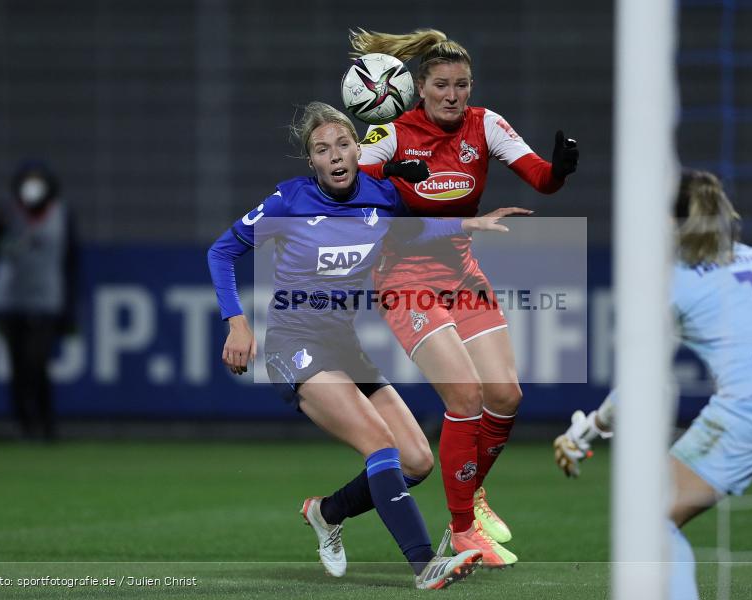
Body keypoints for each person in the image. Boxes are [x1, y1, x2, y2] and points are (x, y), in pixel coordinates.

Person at [207, 101, 529, 589]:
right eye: (322, 150)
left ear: (359, 150)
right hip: (295, 345)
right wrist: (237, 323)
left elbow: (416, 228)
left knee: (416, 460)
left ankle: (327, 512)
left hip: (342, 344)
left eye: (342, 145)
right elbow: (222, 250)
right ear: (311, 161)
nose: (335, 156)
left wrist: (468, 223)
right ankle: (424, 566)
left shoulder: (380, 196)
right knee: (380, 445)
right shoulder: (288, 201)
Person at [554, 170, 752, 596]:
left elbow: (642, 382)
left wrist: (591, 427)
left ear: (668, 222)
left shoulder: (667, 280)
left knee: (648, 517)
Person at [349, 28, 580, 567]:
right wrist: (383, 175)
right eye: (442, 86)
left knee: (506, 396)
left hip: (461, 273)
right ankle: (460, 529)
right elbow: (344, 194)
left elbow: (540, 180)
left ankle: (471, 494)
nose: (453, 95)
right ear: (419, 89)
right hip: (404, 278)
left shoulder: (486, 124)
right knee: (465, 397)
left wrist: (559, 171)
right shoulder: (392, 132)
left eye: (462, 85)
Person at [0, 159, 78, 441]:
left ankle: (46, 425)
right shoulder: (5, 212)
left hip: (46, 301)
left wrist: (70, 310)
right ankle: (26, 425)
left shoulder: (61, 214)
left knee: (37, 362)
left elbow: (71, 263)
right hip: (10, 301)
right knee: (18, 368)